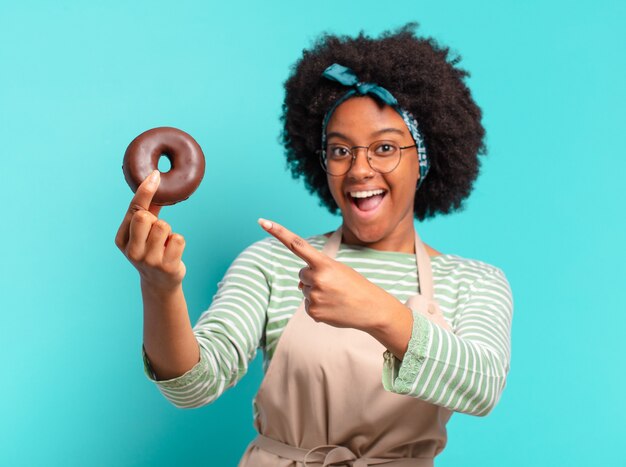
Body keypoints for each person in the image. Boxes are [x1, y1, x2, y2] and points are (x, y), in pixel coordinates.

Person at [115, 22, 513, 466]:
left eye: (384, 148)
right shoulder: (272, 262)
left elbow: (482, 387)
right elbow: (192, 387)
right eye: (341, 150)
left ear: (423, 158)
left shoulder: (474, 281)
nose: (360, 170)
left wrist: (378, 311)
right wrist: (159, 286)